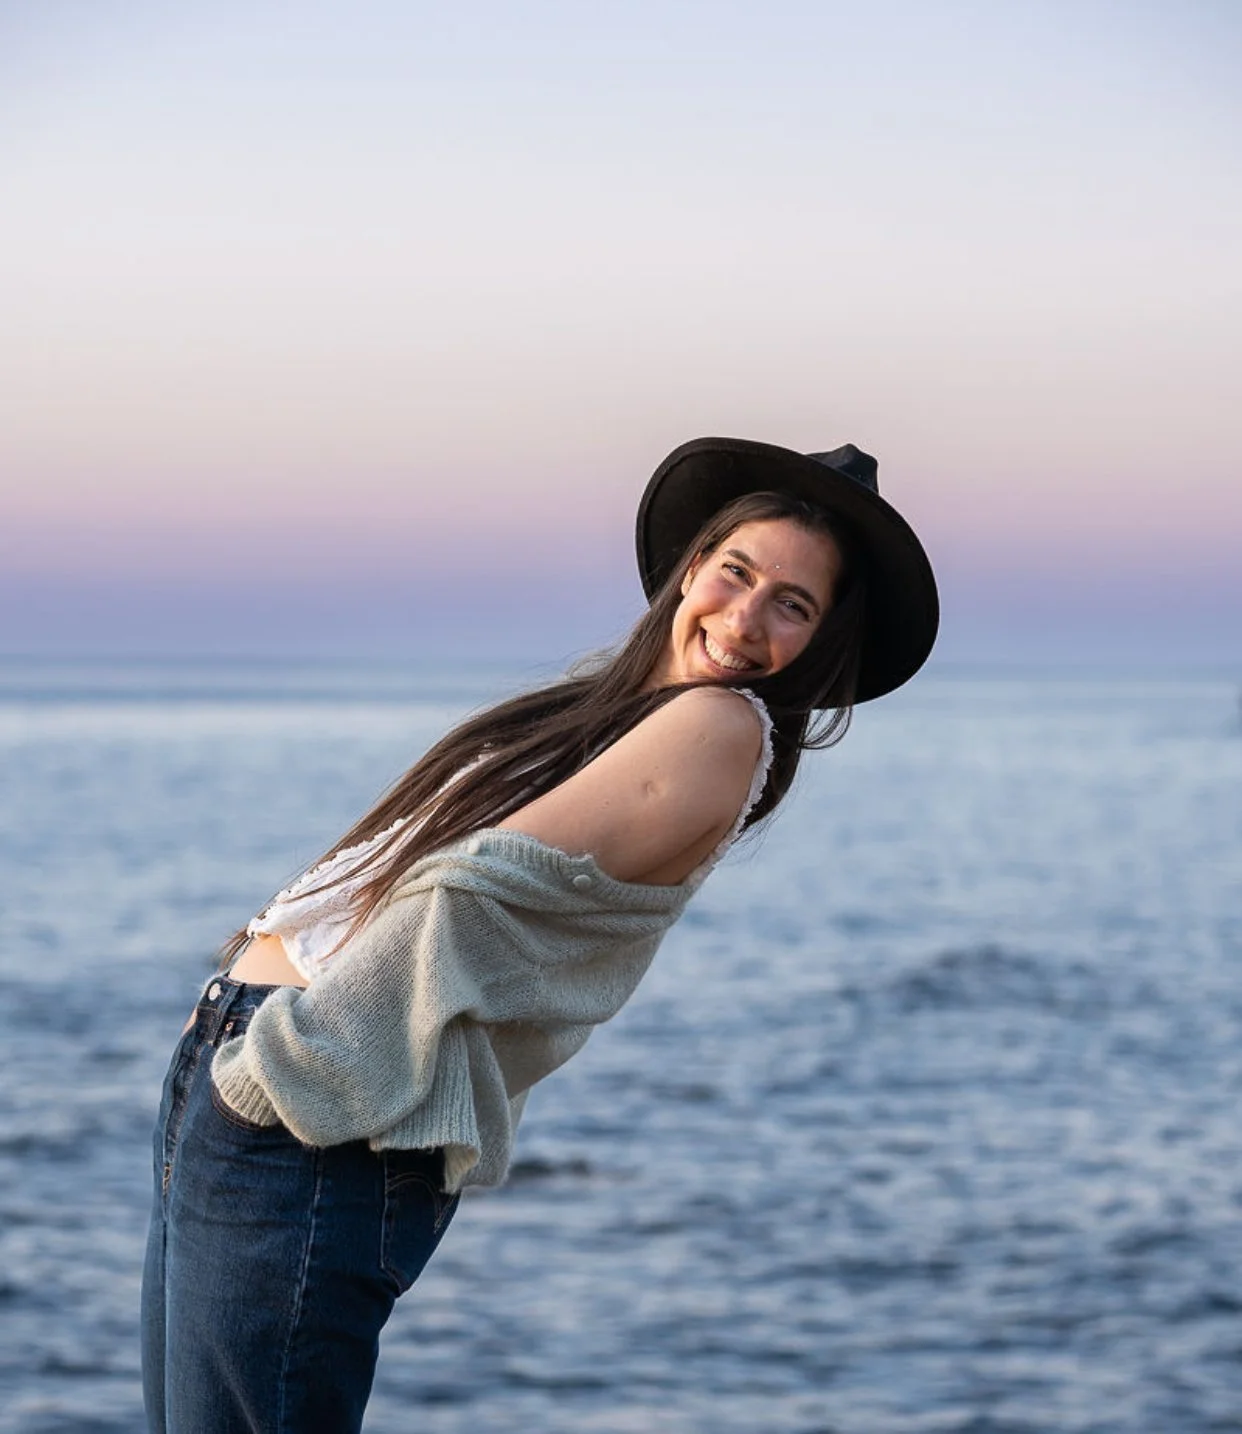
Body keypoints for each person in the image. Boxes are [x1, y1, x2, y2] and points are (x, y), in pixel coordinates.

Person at [140, 436, 938, 1433]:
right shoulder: (608, 714)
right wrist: (234, 995)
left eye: (792, 604)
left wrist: (280, 1070)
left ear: (818, 646)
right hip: (272, 1079)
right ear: (692, 568)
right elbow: (402, 861)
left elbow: (463, 895)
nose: (744, 620)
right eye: (736, 573)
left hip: (322, 1106)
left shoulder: (723, 726)